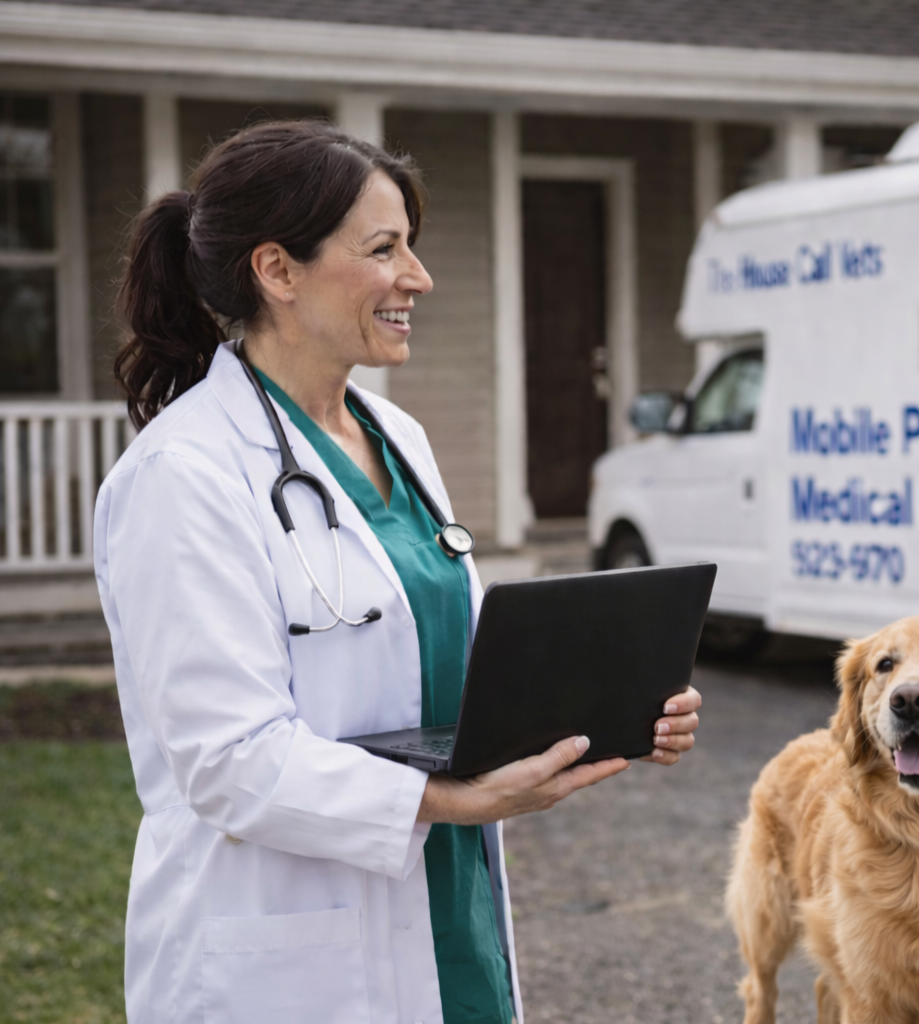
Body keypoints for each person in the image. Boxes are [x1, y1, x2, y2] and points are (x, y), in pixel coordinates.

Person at [95, 121, 702, 1024]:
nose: (417, 278)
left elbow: (441, 654)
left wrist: (607, 705)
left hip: (441, 907)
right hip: (288, 956)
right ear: (278, 271)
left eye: (410, 248)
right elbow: (226, 761)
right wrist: (446, 798)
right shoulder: (182, 476)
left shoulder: (398, 438)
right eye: (384, 250)